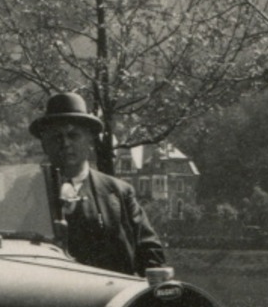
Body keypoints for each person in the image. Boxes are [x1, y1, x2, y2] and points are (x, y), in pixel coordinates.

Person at [29, 91, 167, 276]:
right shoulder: (25, 192)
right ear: (45, 144)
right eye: (56, 137)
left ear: (90, 141)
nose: (65, 143)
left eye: (73, 135)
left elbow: (150, 254)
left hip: (106, 297)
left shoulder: (119, 193)